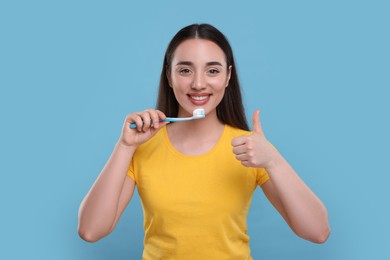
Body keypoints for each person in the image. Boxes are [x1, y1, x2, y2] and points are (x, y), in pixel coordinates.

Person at [78, 23, 330, 259]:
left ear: (228, 76)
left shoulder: (250, 149)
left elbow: (318, 232)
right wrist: (125, 146)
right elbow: (91, 231)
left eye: (212, 70)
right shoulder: (142, 147)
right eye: (185, 70)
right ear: (169, 75)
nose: (198, 84)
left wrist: (274, 161)